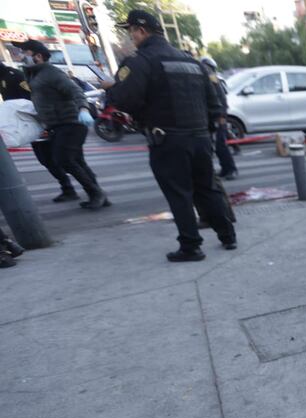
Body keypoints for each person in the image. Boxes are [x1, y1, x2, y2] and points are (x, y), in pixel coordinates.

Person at [103, 10, 236, 262]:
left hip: (167, 139)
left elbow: (125, 100)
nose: (131, 37)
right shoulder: (191, 61)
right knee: (208, 188)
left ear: (141, 31)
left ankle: (190, 246)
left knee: (179, 193)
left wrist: (111, 89)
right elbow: (213, 102)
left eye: (131, 32)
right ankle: (228, 236)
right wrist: (206, 132)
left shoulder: (140, 61)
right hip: (200, 137)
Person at [14, 39, 108, 209]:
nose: (20, 56)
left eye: (24, 52)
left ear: (38, 56)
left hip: (70, 122)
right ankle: (99, 195)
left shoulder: (51, 73)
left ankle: (96, 193)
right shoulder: (35, 74)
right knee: (77, 161)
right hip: (59, 124)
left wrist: (83, 109)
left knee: (64, 159)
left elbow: (75, 91)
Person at [199, 55, 237, 180]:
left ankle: (231, 169)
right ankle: (225, 169)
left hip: (217, 117)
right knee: (215, 146)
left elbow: (221, 99)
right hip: (210, 117)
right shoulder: (206, 79)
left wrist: (221, 116)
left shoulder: (213, 79)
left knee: (221, 145)